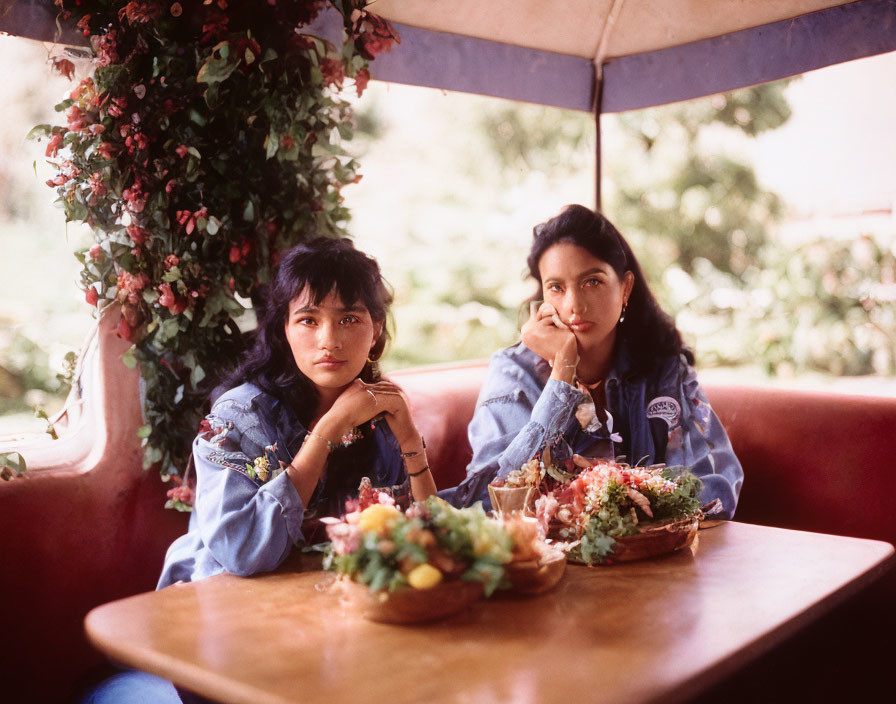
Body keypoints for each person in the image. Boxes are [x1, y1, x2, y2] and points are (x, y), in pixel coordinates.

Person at [158, 237, 436, 588]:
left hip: (321, 606)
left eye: (349, 319)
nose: (329, 340)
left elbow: (428, 541)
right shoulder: (238, 417)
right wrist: (329, 428)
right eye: (308, 320)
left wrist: (410, 439)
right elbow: (244, 553)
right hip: (217, 602)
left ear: (376, 328)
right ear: (284, 330)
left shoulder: (379, 413)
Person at [448, 204, 743, 518]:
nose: (574, 305)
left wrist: (609, 491)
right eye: (556, 288)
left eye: (592, 282)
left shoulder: (665, 370)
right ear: (544, 298)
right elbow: (487, 500)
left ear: (625, 288)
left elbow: (715, 489)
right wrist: (563, 372)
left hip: (655, 561)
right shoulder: (513, 373)